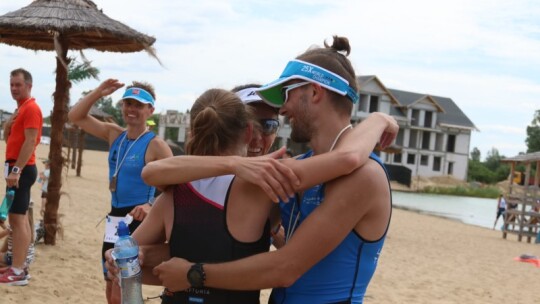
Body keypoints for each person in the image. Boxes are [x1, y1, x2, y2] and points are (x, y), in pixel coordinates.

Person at [142, 35, 394, 304]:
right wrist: (144, 255)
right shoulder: (302, 167)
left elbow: (286, 268)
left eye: (286, 95)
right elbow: (225, 247)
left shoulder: (364, 175)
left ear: (315, 92)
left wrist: (194, 274)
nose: (283, 109)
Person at [68, 78, 173, 303]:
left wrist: (151, 205)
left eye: (138, 105)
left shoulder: (156, 144)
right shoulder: (115, 134)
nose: (131, 109)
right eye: (127, 103)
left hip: (140, 219)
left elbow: (176, 184)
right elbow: (75, 116)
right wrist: (99, 92)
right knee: (110, 283)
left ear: (150, 110)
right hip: (115, 218)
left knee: (124, 286)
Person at [0, 68, 42, 286]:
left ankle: (17, 270)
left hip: (21, 170)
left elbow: (31, 141)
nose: (14, 88)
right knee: (19, 218)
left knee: (17, 220)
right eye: (12, 85)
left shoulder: (31, 108)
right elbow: (14, 140)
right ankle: (19, 267)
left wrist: (16, 170)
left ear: (29, 85)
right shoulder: (21, 109)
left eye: (19, 84)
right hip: (17, 169)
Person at [0, 201, 36, 284]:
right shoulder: (29, 229)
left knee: (2, 254)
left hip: (13, 258)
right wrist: (3, 225)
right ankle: (16, 269)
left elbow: (6, 232)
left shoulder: (17, 227)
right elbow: (9, 231)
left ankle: (9, 269)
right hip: (26, 261)